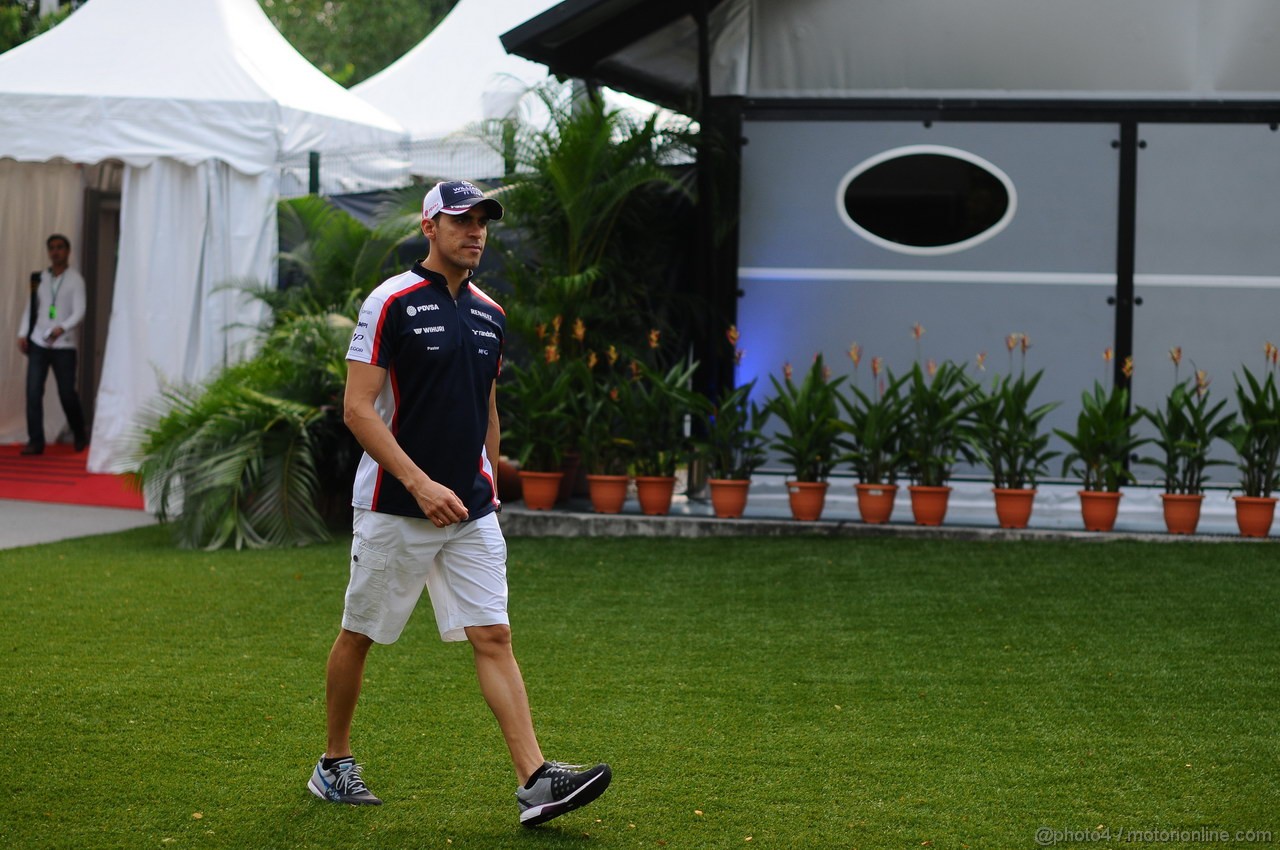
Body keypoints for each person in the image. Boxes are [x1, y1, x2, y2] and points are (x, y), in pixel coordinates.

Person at [307, 181, 611, 826]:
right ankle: (334, 763)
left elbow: (487, 406)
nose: (475, 232)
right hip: (395, 503)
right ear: (429, 227)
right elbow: (357, 409)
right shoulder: (389, 301)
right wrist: (419, 482)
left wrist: (490, 483)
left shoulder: (491, 313)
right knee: (361, 634)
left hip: (472, 508)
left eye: (482, 223)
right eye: (461, 221)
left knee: (494, 635)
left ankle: (534, 780)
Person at [16, 233, 88, 455]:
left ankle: (79, 432)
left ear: (67, 251)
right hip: (39, 341)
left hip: (63, 345)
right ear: (49, 252)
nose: (56, 252)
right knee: (33, 391)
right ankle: (35, 441)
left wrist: (62, 328)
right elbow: (31, 307)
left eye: (60, 247)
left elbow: (79, 311)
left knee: (67, 393)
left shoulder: (75, 279)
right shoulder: (39, 278)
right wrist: (22, 333)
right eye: (52, 248)